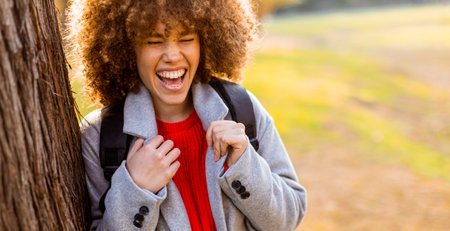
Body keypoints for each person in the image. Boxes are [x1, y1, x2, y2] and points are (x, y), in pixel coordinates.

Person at [68, 0, 306, 230]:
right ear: (127, 48)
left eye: (186, 38)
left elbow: (289, 218)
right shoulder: (100, 137)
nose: (172, 55)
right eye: (154, 40)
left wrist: (245, 166)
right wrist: (135, 189)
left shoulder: (243, 109)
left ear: (205, 40)